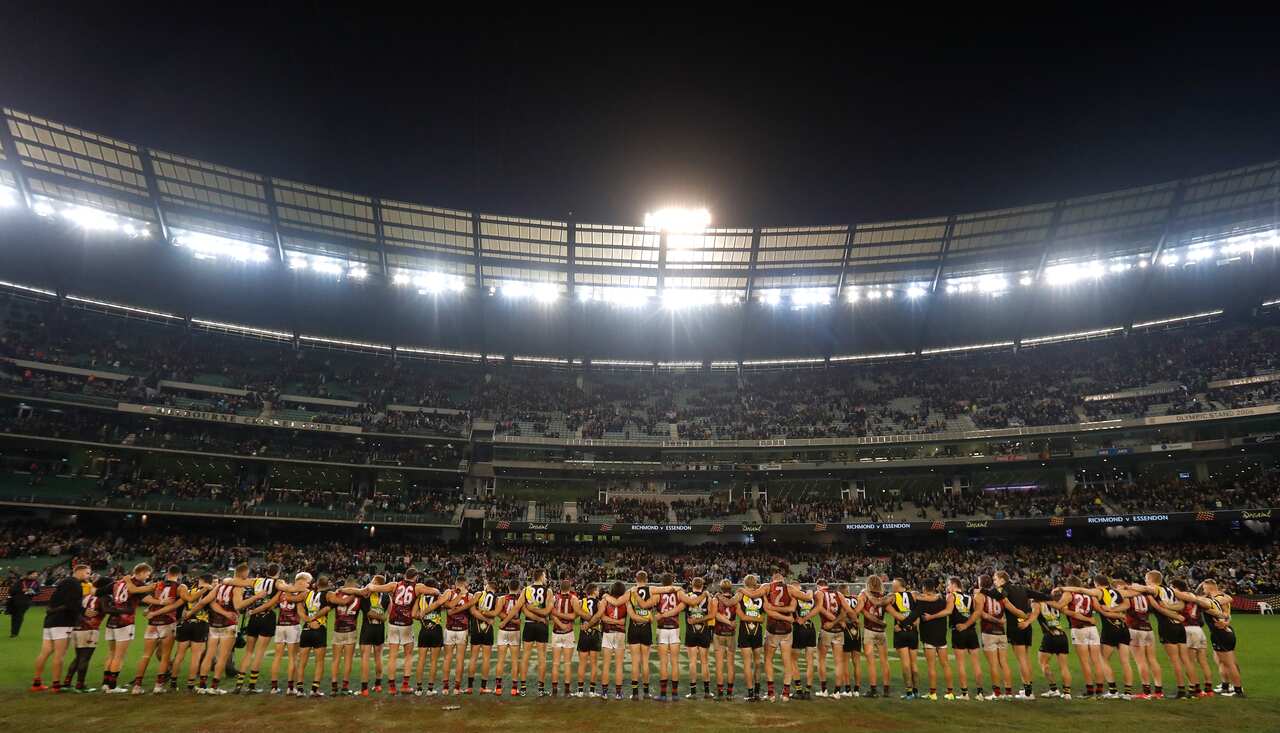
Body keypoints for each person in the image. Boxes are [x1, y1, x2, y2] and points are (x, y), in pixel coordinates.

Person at [342, 568, 444, 695]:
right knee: (408, 655)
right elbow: (435, 591)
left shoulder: (394, 585)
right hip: (406, 623)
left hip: (393, 623)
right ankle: (405, 686)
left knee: (392, 656)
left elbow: (374, 588)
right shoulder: (417, 587)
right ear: (415, 577)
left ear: (405, 575)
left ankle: (391, 687)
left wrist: (366, 588)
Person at [200, 563, 268, 695]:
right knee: (222, 657)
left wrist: (220, 611)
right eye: (247, 573)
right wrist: (256, 597)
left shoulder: (220, 585)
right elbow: (238, 606)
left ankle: (202, 686)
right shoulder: (237, 588)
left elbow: (205, 601)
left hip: (214, 624)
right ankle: (214, 687)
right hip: (228, 624)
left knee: (209, 655)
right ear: (243, 573)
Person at [1131, 570, 1193, 699]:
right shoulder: (1170, 590)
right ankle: (1194, 688)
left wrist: (1132, 586)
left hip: (1168, 626)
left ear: (1150, 579)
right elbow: (1183, 603)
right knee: (1185, 659)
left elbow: (1145, 591)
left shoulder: (1155, 589)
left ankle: (1181, 690)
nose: (1145, 581)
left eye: (1146, 579)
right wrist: (1175, 612)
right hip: (1179, 626)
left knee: (1175, 660)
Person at [31, 564, 90, 692]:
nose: (88, 576)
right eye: (87, 573)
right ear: (79, 571)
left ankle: (36, 683)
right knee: (59, 654)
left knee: (45, 652)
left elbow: (53, 601)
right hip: (63, 622)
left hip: (50, 621)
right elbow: (72, 604)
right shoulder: (75, 584)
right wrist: (84, 613)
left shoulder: (63, 582)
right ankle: (56, 685)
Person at [101, 563, 157, 693]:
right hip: (125, 622)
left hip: (112, 620)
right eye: (147, 574)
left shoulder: (119, 582)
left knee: (111, 653)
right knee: (119, 656)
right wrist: (161, 601)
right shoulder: (138, 584)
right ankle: (112, 686)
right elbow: (146, 598)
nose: (148, 577)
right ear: (141, 572)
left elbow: (100, 592)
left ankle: (105, 684)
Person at [130, 565, 185, 695]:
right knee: (165, 656)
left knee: (146, 655)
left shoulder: (158, 585)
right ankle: (158, 686)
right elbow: (175, 605)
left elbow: (153, 600)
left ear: (167, 573)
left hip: (152, 624)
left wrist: (149, 610)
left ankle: (136, 687)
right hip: (168, 622)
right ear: (179, 575)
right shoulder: (180, 587)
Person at [762, 568, 806, 702]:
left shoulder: (767, 589)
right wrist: (787, 618)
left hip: (773, 628)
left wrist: (773, 608)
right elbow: (792, 608)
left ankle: (771, 693)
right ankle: (786, 693)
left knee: (768, 659)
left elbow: (767, 609)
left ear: (773, 580)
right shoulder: (791, 589)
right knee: (787, 661)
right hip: (787, 629)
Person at [264, 572, 311, 694]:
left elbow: (272, 605)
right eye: (307, 581)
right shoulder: (302, 592)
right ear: (302, 581)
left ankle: (274, 687)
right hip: (293, 626)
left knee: (277, 657)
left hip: (280, 626)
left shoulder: (283, 590)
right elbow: (300, 608)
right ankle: (290, 687)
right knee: (292, 658)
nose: (308, 584)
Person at [64, 576, 112, 693]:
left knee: (78, 657)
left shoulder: (86, 596)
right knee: (85, 658)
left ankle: (67, 682)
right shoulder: (103, 597)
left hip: (77, 627)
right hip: (90, 629)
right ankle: (80, 684)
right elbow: (106, 610)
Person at [1060, 575, 1103, 699]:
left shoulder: (1069, 593)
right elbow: (1098, 608)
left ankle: (1090, 690)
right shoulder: (1089, 593)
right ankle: (1099, 690)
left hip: (1079, 628)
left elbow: (1062, 607)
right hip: (1092, 629)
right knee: (1097, 660)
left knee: (1085, 661)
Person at [171, 574, 214, 693]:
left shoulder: (190, 590)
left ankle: (173, 683)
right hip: (200, 624)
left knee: (179, 655)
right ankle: (190, 685)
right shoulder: (210, 591)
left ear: (200, 580)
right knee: (196, 656)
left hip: (185, 623)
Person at [941, 576, 983, 700]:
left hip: (958, 631)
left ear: (954, 585)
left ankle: (965, 693)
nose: (947, 588)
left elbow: (948, 611)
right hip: (971, 631)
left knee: (961, 664)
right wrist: (967, 624)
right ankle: (980, 693)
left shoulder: (951, 596)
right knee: (976, 663)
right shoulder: (970, 597)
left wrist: (932, 616)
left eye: (948, 585)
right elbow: (975, 613)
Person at [1171, 579, 1214, 697]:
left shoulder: (1181, 597)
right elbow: (1207, 606)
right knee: (1203, 661)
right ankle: (1209, 689)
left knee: (1189, 662)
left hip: (1188, 629)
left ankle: (1194, 688)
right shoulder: (1195, 597)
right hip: (1199, 630)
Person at [1025, 592, 1071, 699]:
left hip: (1050, 635)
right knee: (1064, 666)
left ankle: (1053, 689)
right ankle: (1067, 693)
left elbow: (1034, 615)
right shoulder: (1055, 603)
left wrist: (1026, 622)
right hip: (1062, 636)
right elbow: (1066, 611)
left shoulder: (1037, 604)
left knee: (1043, 663)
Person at [975, 573, 1012, 700]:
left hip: (988, 632)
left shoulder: (981, 596)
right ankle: (1008, 692)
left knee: (993, 664)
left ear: (980, 584)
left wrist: (997, 621)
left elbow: (983, 615)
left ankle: (996, 693)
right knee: (1004, 663)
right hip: (1001, 632)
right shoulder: (1000, 595)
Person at [913, 577, 950, 700]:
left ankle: (933, 693)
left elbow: (916, 618)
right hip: (941, 635)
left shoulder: (921, 602)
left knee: (931, 666)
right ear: (934, 588)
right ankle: (950, 692)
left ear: (924, 588)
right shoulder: (942, 600)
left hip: (928, 635)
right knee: (945, 664)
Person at [884, 577, 919, 700]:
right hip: (913, 631)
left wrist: (901, 624)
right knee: (914, 663)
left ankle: (909, 692)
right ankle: (916, 691)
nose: (892, 586)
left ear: (898, 585)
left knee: (905, 664)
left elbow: (886, 607)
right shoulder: (913, 595)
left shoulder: (893, 596)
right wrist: (911, 624)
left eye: (893, 584)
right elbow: (917, 615)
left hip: (901, 631)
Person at [441, 576, 477, 695]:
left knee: (447, 658)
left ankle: (445, 688)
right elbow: (473, 612)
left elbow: (445, 606)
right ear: (465, 583)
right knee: (460, 659)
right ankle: (457, 688)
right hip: (462, 629)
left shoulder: (449, 593)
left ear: (456, 583)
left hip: (449, 629)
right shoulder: (470, 596)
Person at [298, 576, 333, 697]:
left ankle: (299, 690)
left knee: (302, 661)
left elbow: (299, 608)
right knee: (319, 661)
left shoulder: (306, 594)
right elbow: (329, 607)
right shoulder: (328, 595)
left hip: (306, 629)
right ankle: (314, 689)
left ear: (316, 584)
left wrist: (308, 620)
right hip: (319, 628)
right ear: (327, 585)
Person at [858, 574, 891, 698]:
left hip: (869, 630)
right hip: (881, 631)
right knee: (884, 661)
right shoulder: (884, 596)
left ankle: (873, 689)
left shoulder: (864, 594)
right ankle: (886, 690)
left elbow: (861, 610)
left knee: (871, 662)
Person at [356, 575, 389, 696]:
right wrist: (381, 617)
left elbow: (368, 613)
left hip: (368, 628)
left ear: (376, 583)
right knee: (378, 657)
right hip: (380, 629)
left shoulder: (367, 595)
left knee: (365, 658)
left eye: (373, 581)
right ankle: (378, 685)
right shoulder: (387, 597)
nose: (371, 583)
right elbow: (385, 616)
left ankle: (364, 688)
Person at [681, 577, 713, 700]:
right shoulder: (708, 597)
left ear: (692, 584)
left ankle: (693, 692)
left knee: (692, 662)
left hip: (691, 632)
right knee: (705, 662)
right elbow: (711, 614)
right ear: (703, 585)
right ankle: (707, 691)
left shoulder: (687, 596)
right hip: (704, 632)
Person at [654, 573, 683, 701]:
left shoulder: (657, 593)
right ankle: (675, 694)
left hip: (662, 628)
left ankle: (663, 694)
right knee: (675, 662)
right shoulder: (678, 592)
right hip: (675, 628)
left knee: (663, 662)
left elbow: (650, 605)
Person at [328, 578, 360, 696]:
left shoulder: (337, 594)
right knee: (348, 660)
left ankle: (334, 687)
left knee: (336, 659)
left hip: (338, 629)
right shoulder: (358, 596)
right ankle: (345, 687)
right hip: (351, 630)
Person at [467, 579, 499, 694]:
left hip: (476, 628)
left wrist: (481, 614)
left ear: (487, 586)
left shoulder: (478, 594)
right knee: (486, 658)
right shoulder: (497, 599)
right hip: (488, 630)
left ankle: (470, 687)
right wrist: (487, 619)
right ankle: (483, 687)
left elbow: (472, 611)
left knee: (473, 658)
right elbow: (495, 613)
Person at [600, 580, 630, 700]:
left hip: (607, 633)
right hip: (620, 633)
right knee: (619, 665)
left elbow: (602, 617)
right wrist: (618, 622)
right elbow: (625, 619)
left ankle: (604, 693)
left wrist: (611, 621)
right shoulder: (626, 601)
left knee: (606, 665)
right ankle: (618, 693)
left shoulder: (605, 600)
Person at [550, 578, 579, 697]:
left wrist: (560, 623)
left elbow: (552, 614)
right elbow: (575, 615)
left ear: (560, 587)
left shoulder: (554, 598)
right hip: (568, 632)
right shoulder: (574, 598)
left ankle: (554, 690)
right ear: (570, 587)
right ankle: (567, 691)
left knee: (555, 663)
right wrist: (565, 622)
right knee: (567, 663)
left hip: (556, 632)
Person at [493, 579, 523, 696]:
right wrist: (515, 621)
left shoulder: (501, 599)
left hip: (503, 631)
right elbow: (523, 614)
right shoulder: (521, 599)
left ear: (508, 587)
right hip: (515, 631)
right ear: (518, 588)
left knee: (500, 660)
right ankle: (514, 689)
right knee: (515, 661)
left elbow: (497, 613)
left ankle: (498, 688)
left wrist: (505, 621)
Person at [575, 583, 605, 697]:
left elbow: (576, 614)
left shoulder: (581, 602)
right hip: (595, 633)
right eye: (597, 590)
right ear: (593, 591)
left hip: (584, 633)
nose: (598, 592)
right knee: (594, 664)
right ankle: (592, 691)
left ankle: (580, 691)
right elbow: (599, 616)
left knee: (582, 664)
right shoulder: (599, 603)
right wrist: (592, 623)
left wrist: (586, 624)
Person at [711, 578, 738, 700]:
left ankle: (720, 692)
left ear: (721, 588)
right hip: (731, 634)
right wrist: (731, 622)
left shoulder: (716, 599)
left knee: (719, 664)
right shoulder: (735, 600)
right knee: (731, 664)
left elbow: (714, 615)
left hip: (719, 633)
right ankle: (730, 692)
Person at [839, 583, 864, 698]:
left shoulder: (841, 599)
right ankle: (857, 690)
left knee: (845, 662)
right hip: (857, 631)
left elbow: (841, 614)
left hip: (846, 630)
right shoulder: (856, 599)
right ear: (848, 590)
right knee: (856, 662)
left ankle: (848, 689)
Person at [9, 570, 39, 638]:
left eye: (36, 574)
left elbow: (38, 592)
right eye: (34, 574)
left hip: (25, 602)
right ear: (29, 575)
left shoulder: (36, 583)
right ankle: (13, 632)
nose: (36, 575)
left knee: (19, 616)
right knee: (14, 616)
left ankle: (14, 633)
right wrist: (22, 590)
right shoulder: (20, 581)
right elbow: (11, 590)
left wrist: (33, 592)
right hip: (15, 601)